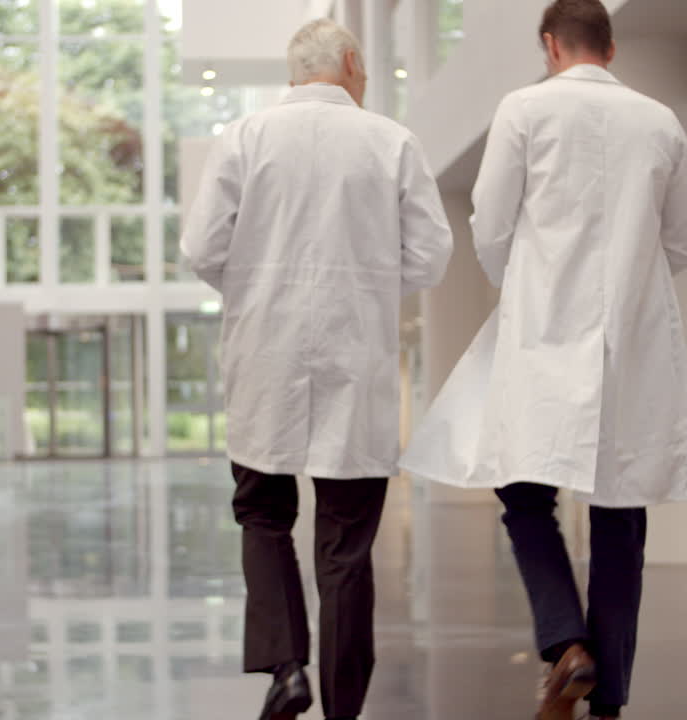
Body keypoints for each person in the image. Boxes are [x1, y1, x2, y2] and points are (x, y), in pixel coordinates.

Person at [400, 1, 687, 719]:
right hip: (632, 339)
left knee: (522, 495)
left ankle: (565, 643)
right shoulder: (661, 121)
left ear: (550, 45)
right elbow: (683, 241)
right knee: (620, 516)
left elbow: (490, 221)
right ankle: (607, 695)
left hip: (544, 331)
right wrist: (630, 279)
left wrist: (529, 275)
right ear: (609, 47)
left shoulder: (523, 110)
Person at [180, 18, 453, 720]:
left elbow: (203, 246)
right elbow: (430, 256)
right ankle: (343, 706)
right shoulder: (390, 141)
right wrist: (366, 284)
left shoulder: (244, 136)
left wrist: (255, 289)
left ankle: (286, 667)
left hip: (264, 354)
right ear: (353, 63)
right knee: (346, 543)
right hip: (354, 359)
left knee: (263, 513)